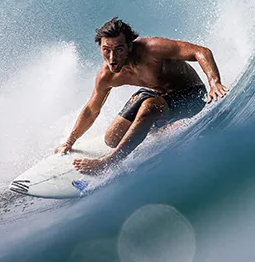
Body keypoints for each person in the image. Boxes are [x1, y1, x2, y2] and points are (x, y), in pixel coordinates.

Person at [55, 17, 229, 174]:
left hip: (191, 95)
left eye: (119, 49)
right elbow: (92, 109)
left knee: (149, 107)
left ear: (130, 45)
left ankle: (110, 161)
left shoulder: (153, 49)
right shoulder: (106, 76)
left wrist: (214, 82)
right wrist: (70, 141)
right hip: (156, 94)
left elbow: (201, 51)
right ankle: (159, 126)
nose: (112, 57)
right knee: (112, 139)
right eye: (106, 49)